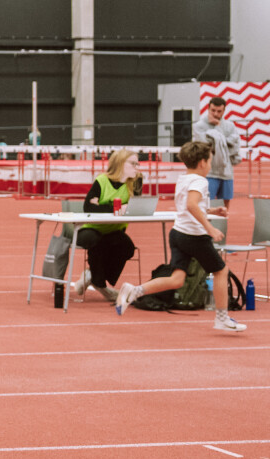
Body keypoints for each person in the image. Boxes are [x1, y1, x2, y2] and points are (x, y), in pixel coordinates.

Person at [116, 140, 244, 332]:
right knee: (221, 271)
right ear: (202, 162)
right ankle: (222, 318)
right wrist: (210, 228)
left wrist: (212, 210)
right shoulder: (200, 181)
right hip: (195, 236)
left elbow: (191, 205)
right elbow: (191, 205)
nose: (210, 165)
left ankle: (135, 291)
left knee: (177, 279)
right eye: (210, 161)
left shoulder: (183, 179)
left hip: (178, 234)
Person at [72, 148, 143, 304]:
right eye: (133, 163)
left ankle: (92, 275)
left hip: (115, 230)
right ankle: (100, 284)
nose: (137, 167)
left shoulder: (136, 181)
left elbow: (135, 207)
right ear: (120, 163)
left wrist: (103, 206)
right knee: (95, 240)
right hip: (91, 229)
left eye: (137, 163)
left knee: (127, 247)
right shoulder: (102, 180)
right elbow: (89, 207)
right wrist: (117, 208)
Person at [193, 96, 242, 211]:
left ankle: (223, 222)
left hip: (226, 172)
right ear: (208, 109)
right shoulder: (199, 126)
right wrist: (225, 143)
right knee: (207, 203)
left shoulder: (230, 126)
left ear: (224, 111)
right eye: (213, 110)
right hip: (209, 172)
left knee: (225, 205)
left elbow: (235, 146)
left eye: (219, 111)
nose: (215, 114)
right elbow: (204, 146)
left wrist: (217, 131)